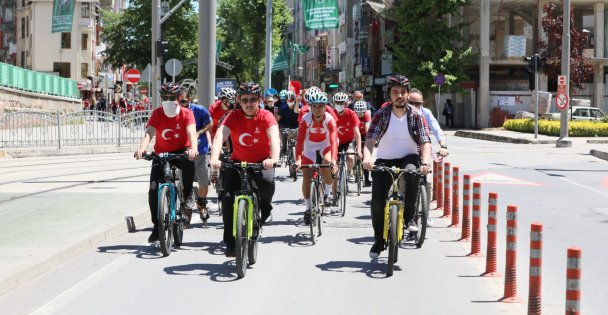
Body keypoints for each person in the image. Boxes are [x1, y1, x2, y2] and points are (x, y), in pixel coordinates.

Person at [362, 75, 432, 259]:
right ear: (389, 95)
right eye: (395, 92)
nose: (399, 95)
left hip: (409, 157)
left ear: (408, 95)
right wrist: (367, 158)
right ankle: (378, 240)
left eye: (403, 92)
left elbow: (425, 141)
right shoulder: (381, 115)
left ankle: (410, 218)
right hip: (385, 160)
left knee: (411, 172)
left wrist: (425, 162)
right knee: (377, 202)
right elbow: (370, 140)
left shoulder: (416, 115)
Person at [209, 82, 280, 257]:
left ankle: (265, 208)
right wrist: (214, 159)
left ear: (259, 100)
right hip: (237, 163)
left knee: (268, 182)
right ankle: (231, 243)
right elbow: (219, 137)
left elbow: (274, 136)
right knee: (226, 198)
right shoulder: (233, 116)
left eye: (253, 100)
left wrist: (274, 158)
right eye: (245, 100)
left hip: (262, 162)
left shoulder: (266, 116)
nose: (249, 104)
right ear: (239, 100)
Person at [134, 82, 199, 243]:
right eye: (164, 97)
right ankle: (157, 227)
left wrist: (193, 149)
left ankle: (187, 194)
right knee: (153, 190)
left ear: (178, 98)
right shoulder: (157, 113)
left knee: (189, 166)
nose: (168, 100)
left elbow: (192, 133)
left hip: (182, 151)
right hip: (161, 154)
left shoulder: (186, 113)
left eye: (171, 97)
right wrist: (142, 149)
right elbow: (149, 133)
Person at [293, 90, 338, 225]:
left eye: (320, 106)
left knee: (327, 163)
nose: (317, 109)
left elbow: (333, 140)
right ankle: (307, 208)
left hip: (325, 145)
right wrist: (298, 160)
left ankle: (327, 194)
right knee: (306, 178)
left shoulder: (329, 119)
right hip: (309, 147)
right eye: (315, 106)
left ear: (325, 107)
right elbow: (299, 141)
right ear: (310, 107)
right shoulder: (305, 119)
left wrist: (334, 161)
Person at [408, 89, 449, 228]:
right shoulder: (400, 113)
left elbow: (437, 129)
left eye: (418, 103)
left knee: (426, 182)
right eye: (411, 103)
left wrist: (443, 146)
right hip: (405, 152)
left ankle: (426, 213)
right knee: (402, 182)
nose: (414, 106)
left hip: (423, 151)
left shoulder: (425, 113)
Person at [177, 87, 212, 228]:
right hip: (184, 153)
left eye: (184, 102)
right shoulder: (174, 112)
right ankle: (187, 208)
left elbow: (210, 124)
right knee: (185, 184)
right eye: (178, 102)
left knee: (203, 182)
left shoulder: (199, 110)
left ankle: (202, 202)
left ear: (189, 100)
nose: (181, 105)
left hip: (201, 151)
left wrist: (199, 132)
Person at [332, 91, 361, 189]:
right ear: (334, 103)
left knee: (350, 156)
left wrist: (359, 150)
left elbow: (357, 133)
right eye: (337, 103)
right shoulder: (331, 114)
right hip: (336, 142)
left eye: (342, 103)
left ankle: (349, 173)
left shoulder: (351, 113)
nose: (339, 105)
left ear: (346, 103)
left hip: (349, 141)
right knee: (334, 165)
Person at [353, 100, 372, 187]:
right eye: (358, 113)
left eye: (362, 113)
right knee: (353, 153)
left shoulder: (367, 115)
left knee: (365, 157)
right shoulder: (353, 115)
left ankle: (367, 179)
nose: (360, 115)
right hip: (354, 135)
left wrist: (370, 140)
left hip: (364, 134)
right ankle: (354, 167)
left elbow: (367, 128)